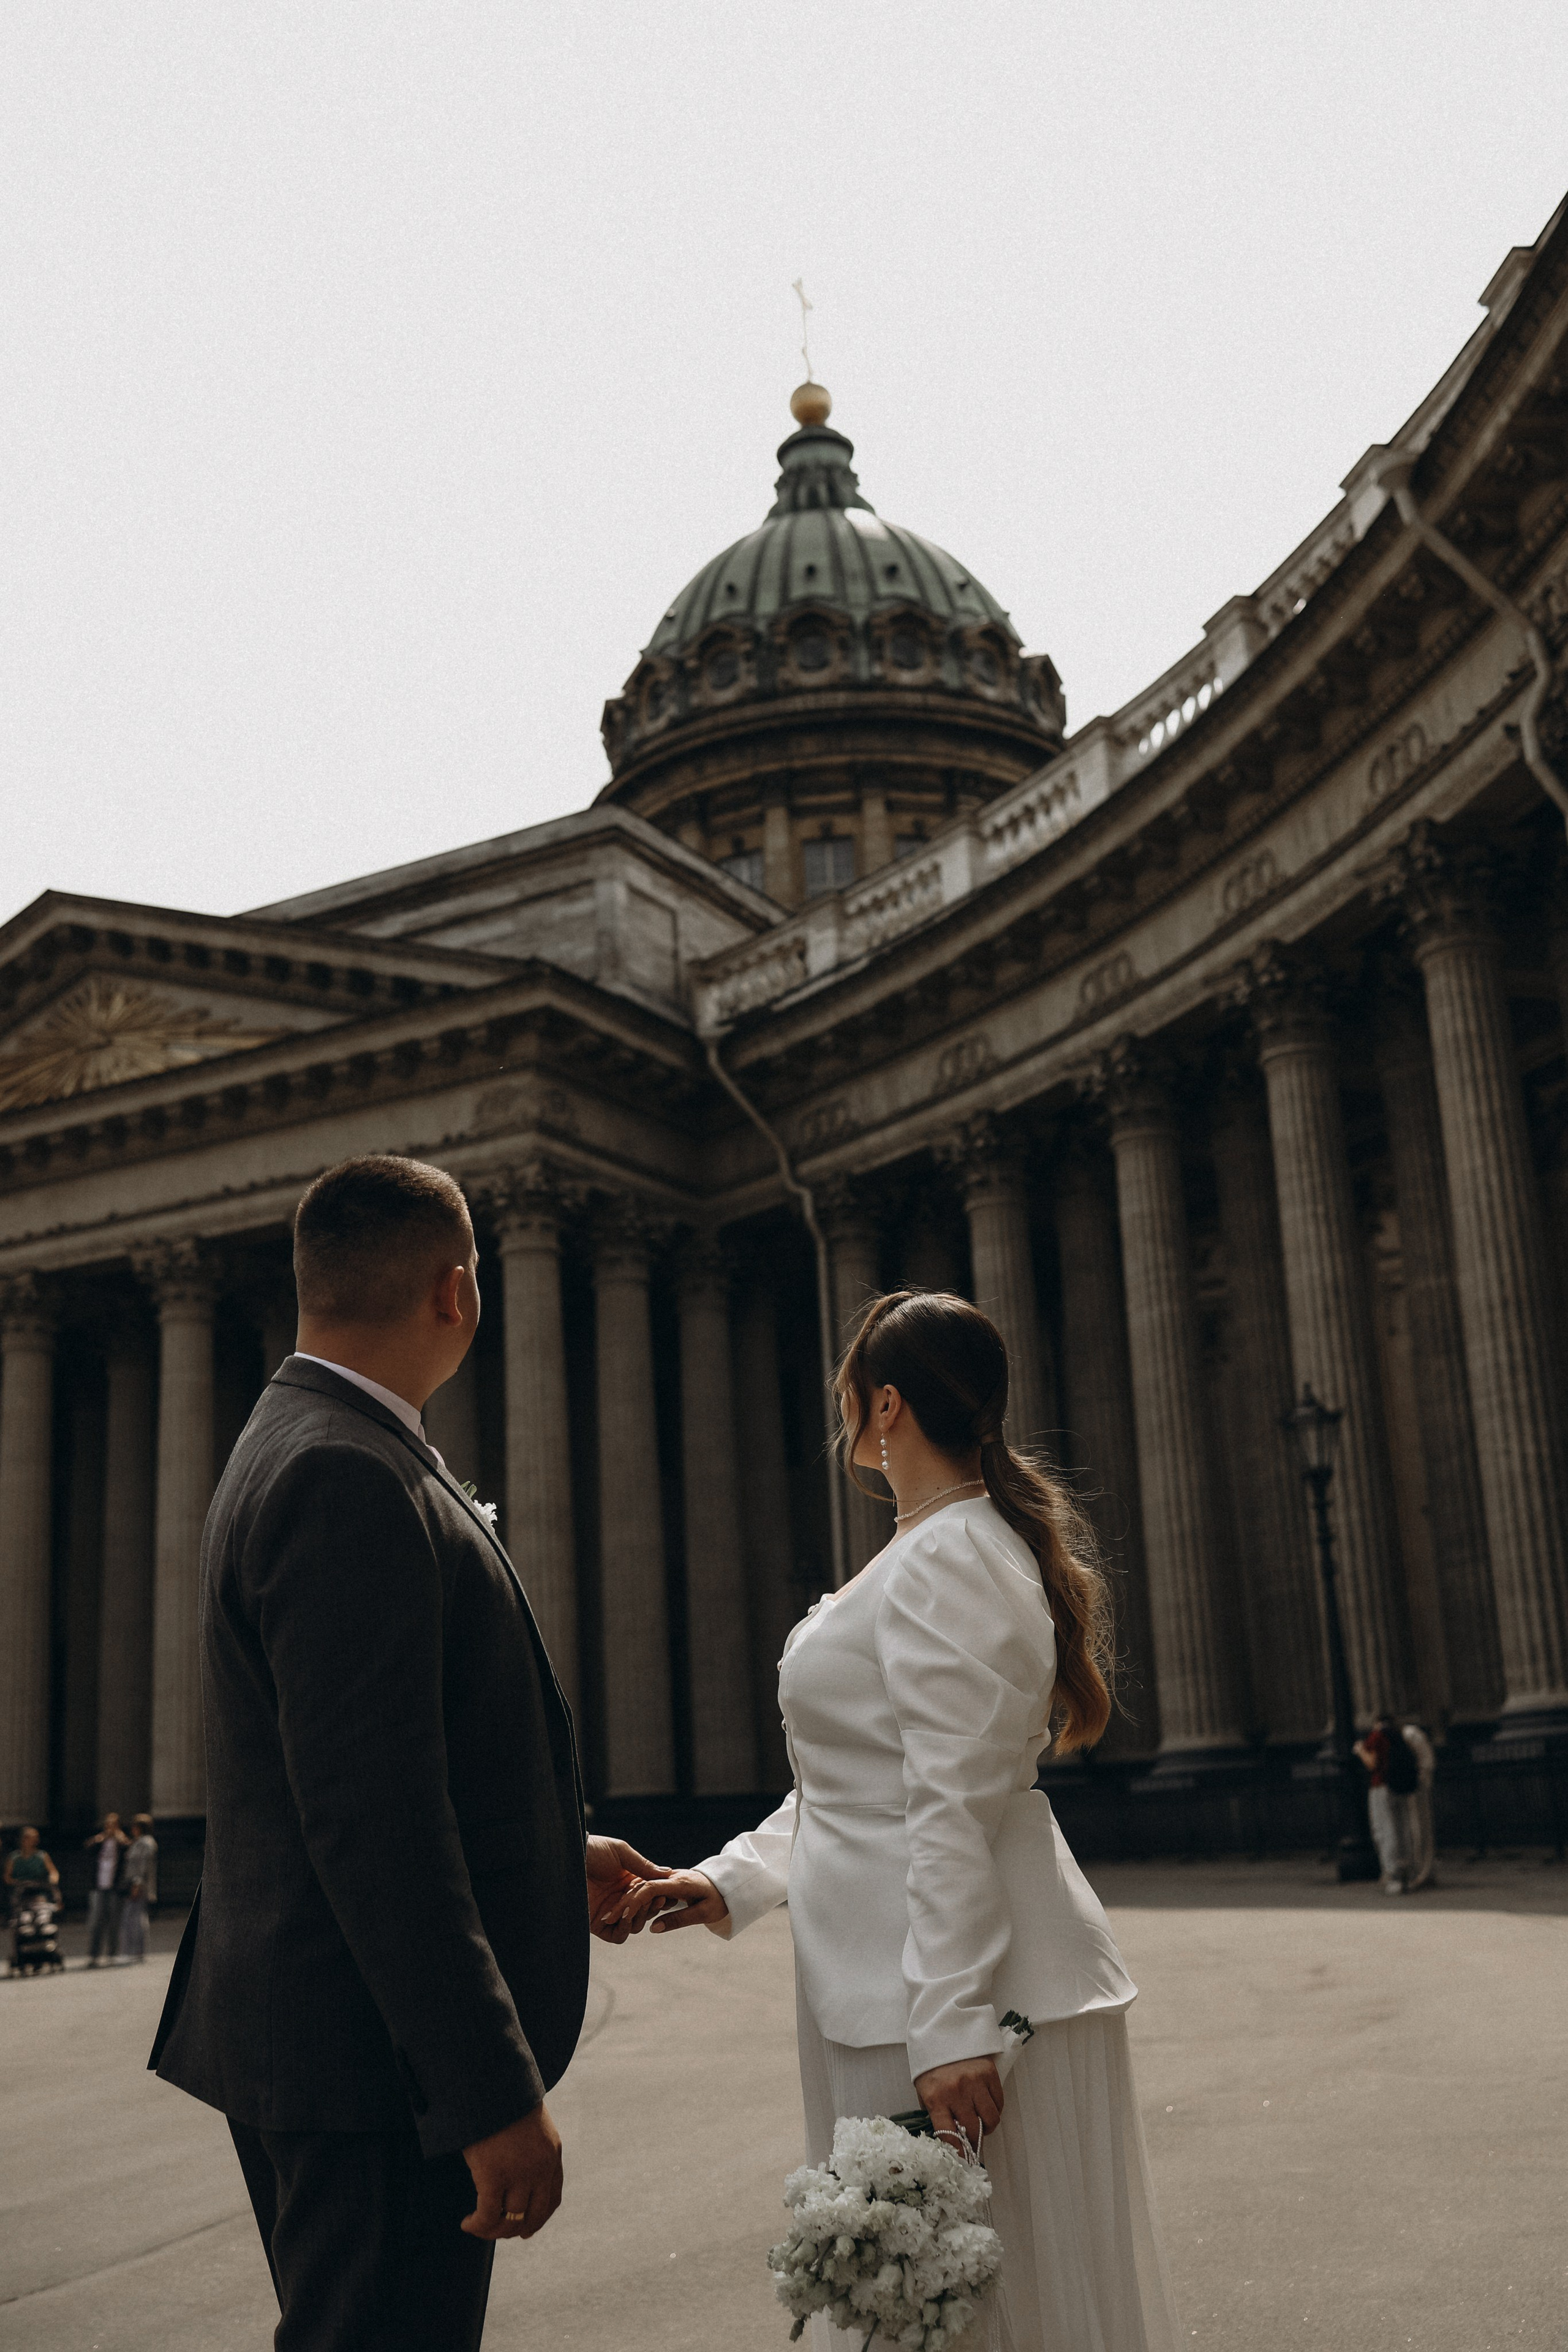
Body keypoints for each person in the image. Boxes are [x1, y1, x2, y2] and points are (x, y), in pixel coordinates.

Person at [150, 1154, 661, 2352]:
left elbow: (358, 1764)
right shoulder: (343, 1470)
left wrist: (544, 1853)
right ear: (457, 1292)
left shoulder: (305, 1435)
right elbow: (372, 1820)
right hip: (374, 2073)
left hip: (336, 2053)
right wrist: (484, 2091)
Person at [611, 1290, 1182, 2352]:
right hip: (908, 1993)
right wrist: (728, 1878)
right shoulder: (932, 1548)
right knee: (931, 2317)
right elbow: (856, 1782)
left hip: (958, 2006)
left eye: (849, 1401)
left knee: (971, 2319)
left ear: (885, 1407)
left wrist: (954, 2023)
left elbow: (953, 1804)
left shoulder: (952, 1556)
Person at [1353, 1714, 1411, 1894]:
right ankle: (1405, 1870)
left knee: (1385, 1831)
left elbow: (1372, 1764)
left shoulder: (1377, 1736)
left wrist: (1360, 1750)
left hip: (1381, 1786)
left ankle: (1392, 1875)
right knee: (1400, 1829)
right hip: (1399, 1787)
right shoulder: (1397, 1736)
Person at [84, 1810, 129, 1966]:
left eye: (113, 1825)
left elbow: (128, 1852)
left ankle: (113, 1953)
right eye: (107, 1825)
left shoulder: (121, 1842)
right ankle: (94, 1954)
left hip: (114, 1887)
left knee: (114, 1921)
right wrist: (99, 1839)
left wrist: (120, 1837)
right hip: (98, 1886)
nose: (109, 1828)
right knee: (96, 1921)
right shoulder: (101, 1842)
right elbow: (87, 1848)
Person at [1398, 1720, 1438, 1890]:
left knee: (1420, 1829)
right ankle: (1417, 1870)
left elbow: (1426, 1762)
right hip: (1408, 1787)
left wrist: (1421, 1781)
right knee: (1412, 1830)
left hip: (1415, 1787)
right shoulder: (1404, 1735)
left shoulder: (1410, 1734)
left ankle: (1424, 1871)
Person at [118, 1814, 159, 1960]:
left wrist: (137, 1884)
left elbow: (143, 1866)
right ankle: (133, 1951)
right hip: (135, 1884)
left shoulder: (146, 1843)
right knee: (132, 1917)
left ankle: (136, 1951)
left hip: (139, 1886)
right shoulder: (139, 1842)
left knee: (135, 1918)